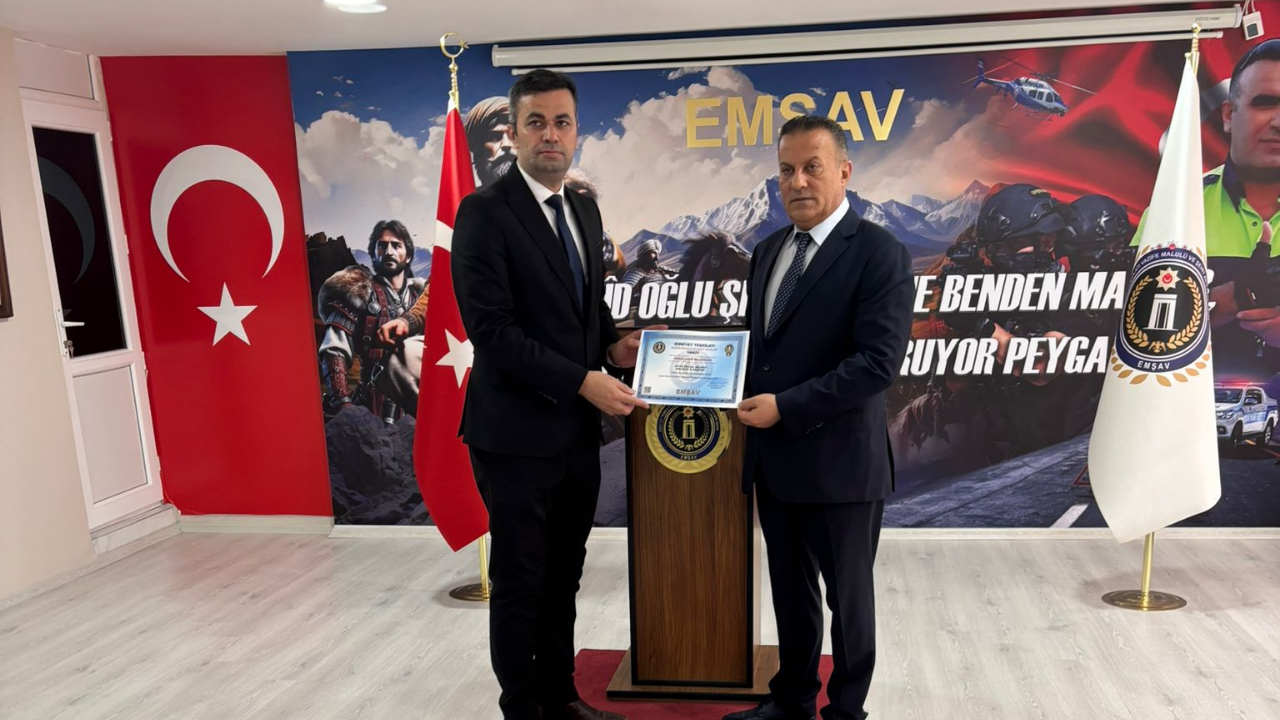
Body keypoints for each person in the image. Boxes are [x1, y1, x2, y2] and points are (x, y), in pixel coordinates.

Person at [451, 69, 653, 720]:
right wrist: (583, 379)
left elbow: (585, 311)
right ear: (514, 134)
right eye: (535, 122)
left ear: (576, 133)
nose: (550, 135)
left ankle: (561, 697)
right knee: (521, 580)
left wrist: (615, 348)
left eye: (562, 122)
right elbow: (493, 332)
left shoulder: (583, 209)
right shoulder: (484, 213)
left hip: (574, 433)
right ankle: (523, 707)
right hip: (513, 435)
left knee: (566, 571)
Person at [731, 115, 913, 720]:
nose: (798, 182)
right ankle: (792, 702)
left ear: (843, 171)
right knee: (791, 594)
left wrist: (786, 406)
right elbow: (760, 350)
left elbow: (877, 364)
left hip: (842, 466)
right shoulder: (767, 252)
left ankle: (846, 712)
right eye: (786, 170)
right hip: (776, 462)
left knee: (849, 603)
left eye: (812, 167)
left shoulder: (880, 252)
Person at [317, 219, 424, 420]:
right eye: (382, 245)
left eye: (396, 245)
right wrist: (343, 404)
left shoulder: (421, 300)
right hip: (370, 405)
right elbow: (334, 351)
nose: (389, 251)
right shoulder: (357, 291)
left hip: (415, 405)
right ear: (374, 253)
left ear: (408, 255)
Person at [464, 95, 517, 187]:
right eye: (494, 138)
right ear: (478, 146)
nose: (507, 144)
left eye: (515, 136)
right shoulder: (468, 197)